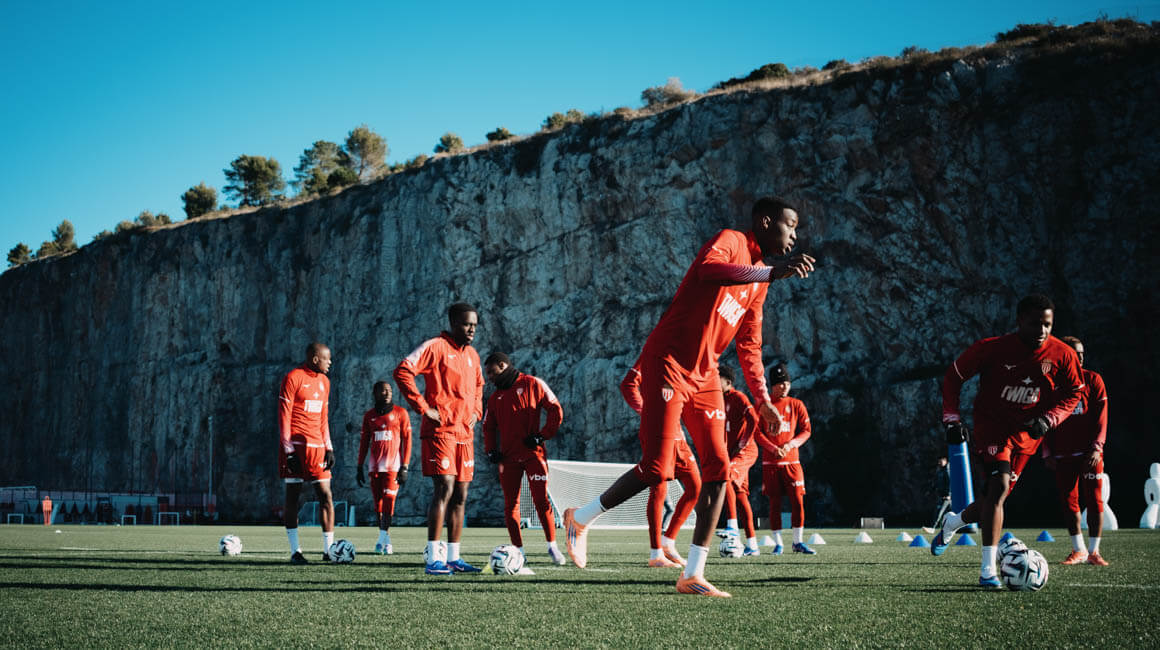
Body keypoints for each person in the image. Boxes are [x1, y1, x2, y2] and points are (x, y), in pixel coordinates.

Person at [563, 196, 816, 597]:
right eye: (792, 225)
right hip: (668, 362)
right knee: (657, 468)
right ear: (767, 222)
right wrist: (768, 272)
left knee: (719, 470)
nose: (795, 235)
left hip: (706, 375)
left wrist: (762, 398)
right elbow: (708, 270)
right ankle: (581, 517)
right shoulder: (732, 240)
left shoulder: (760, 282)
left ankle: (692, 574)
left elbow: (749, 345)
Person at [933, 294, 1084, 587]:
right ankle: (987, 571)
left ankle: (953, 521)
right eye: (1035, 323)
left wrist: (1049, 419)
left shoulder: (1062, 354)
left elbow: (1074, 392)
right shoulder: (992, 349)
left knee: (993, 499)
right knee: (999, 487)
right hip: (993, 429)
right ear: (1019, 321)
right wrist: (952, 418)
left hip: (1027, 436)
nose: (1042, 330)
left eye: (1047, 324)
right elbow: (954, 376)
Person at [394, 303, 485, 575]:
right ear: (454, 323)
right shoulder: (435, 347)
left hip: (464, 434)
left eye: (474, 325)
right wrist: (424, 408)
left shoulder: (473, 355)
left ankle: (454, 557)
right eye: (466, 324)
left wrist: (477, 411)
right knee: (444, 487)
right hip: (441, 432)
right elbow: (403, 371)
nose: (471, 330)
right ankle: (434, 558)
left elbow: (479, 385)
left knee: (461, 494)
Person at [482, 352, 566, 565]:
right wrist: (491, 450)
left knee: (541, 500)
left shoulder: (532, 383)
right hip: (508, 459)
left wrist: (542, 435)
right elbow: (488, 427)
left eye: (491, 372)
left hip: (533, 455)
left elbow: (555, 410)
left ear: (503, 365)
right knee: (511, 505)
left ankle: (553, 547)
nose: (489, 377)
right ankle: (518, 552)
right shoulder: (494, 398)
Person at [621, 359, 702, 568]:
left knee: (695, 486)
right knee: (659, 488)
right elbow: (628, 384)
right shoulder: (652, 353)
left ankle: (668, 541)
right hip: (657, 432)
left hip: (678, 433)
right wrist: (646, 412)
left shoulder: (685, 356)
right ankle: (656, 552)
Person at [1045, 336, 1110, 566]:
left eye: (1082, 354)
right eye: (1075, 354)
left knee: (1095, 499)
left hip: (1090, 453)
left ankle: (1094, 551)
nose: (1080, 358)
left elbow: (1102, 417)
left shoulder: (1093, 380)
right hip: (1063, 454)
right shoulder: (1051, 385)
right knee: (1069, 501)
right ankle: (1078, 549)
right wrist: (1047, 452)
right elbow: (1044, 419)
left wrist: (1097, 447)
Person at [278, 342, 336, 565]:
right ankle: (295, 551)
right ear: (315, 359)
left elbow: (323, 417)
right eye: (326, 358)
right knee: (293, 496)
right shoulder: (293, 378)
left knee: (326, 496)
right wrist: (289, 451)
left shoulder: (325, 382)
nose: (330, 362)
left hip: (317, 447)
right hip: (296, 447)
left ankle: (329, 550)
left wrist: (329, 447)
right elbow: (284, 416)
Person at [755, 363, 815, 555]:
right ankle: (778, 544)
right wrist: (773, 449)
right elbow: (757, 433)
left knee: (798, 500)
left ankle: (798, 542)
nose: (784, 387)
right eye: (781, 383)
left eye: (787, 383)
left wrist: (790, 445)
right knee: (774, 503)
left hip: (792, 462)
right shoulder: (764, 407)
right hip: (771, 463)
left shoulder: (796, 404)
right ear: (772, 385)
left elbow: (806, 431)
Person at [356, 381, 412, 555]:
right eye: (383, 390)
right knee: (378, 505)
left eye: (390, 390)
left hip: (393, 467)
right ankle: (386, 541)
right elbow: (364, 442)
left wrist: (405, 466)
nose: (387, 393)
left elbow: (407, 441)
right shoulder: (369, 416)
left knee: (389, 500)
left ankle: (380, 541)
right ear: (375, 393)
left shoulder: (401, 413)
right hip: (374, 467)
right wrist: (359, 466)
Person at [718, 365, 762, 555]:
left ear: (728, 382)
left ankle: (732, 526)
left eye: (717, 378)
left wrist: (743, 443)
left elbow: (754, 419)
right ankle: (753, 545)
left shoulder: (738, 397)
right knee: (741, 495)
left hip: (746, 451)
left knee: (726, 476)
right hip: (732, 454)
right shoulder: (717, 399)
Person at [922, 457, 951, 535]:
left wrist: (949, 494)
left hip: (946, 496)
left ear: (945, 461)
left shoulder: (947, 470)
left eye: (941, 461)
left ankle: (933, 528)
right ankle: (945, 528)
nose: (939, 463)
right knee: (948, 513)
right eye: (939, 462)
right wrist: (930, 491)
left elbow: (950, 482)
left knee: (939, 511)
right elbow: (936, 482)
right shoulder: (940, 471)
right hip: (941, 495)